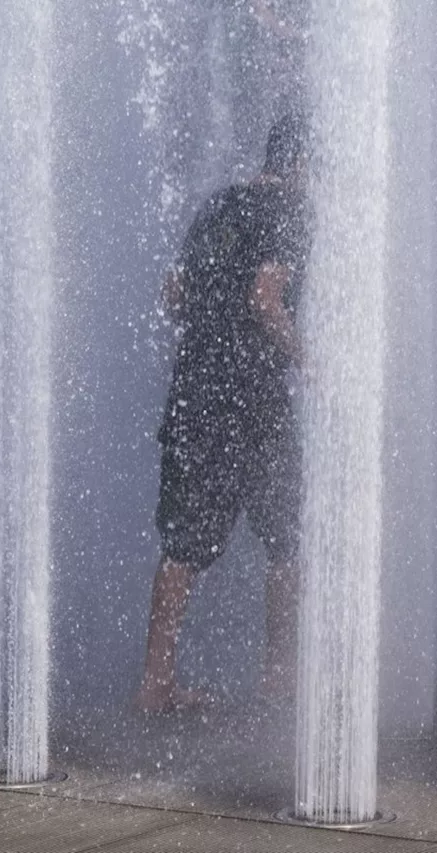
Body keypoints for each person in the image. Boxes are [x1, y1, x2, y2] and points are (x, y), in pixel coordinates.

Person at [135, 112, 310, 714]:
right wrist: (310, 357)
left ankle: (155, 684)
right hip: (254, 398)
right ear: (303, 164)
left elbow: (175, 295)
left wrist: (212, 332)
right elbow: (267, 300)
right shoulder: (289, 212)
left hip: (195, 390)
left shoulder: (217, 205)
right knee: (288, 531)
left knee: (182, 541)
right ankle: (279, 675)